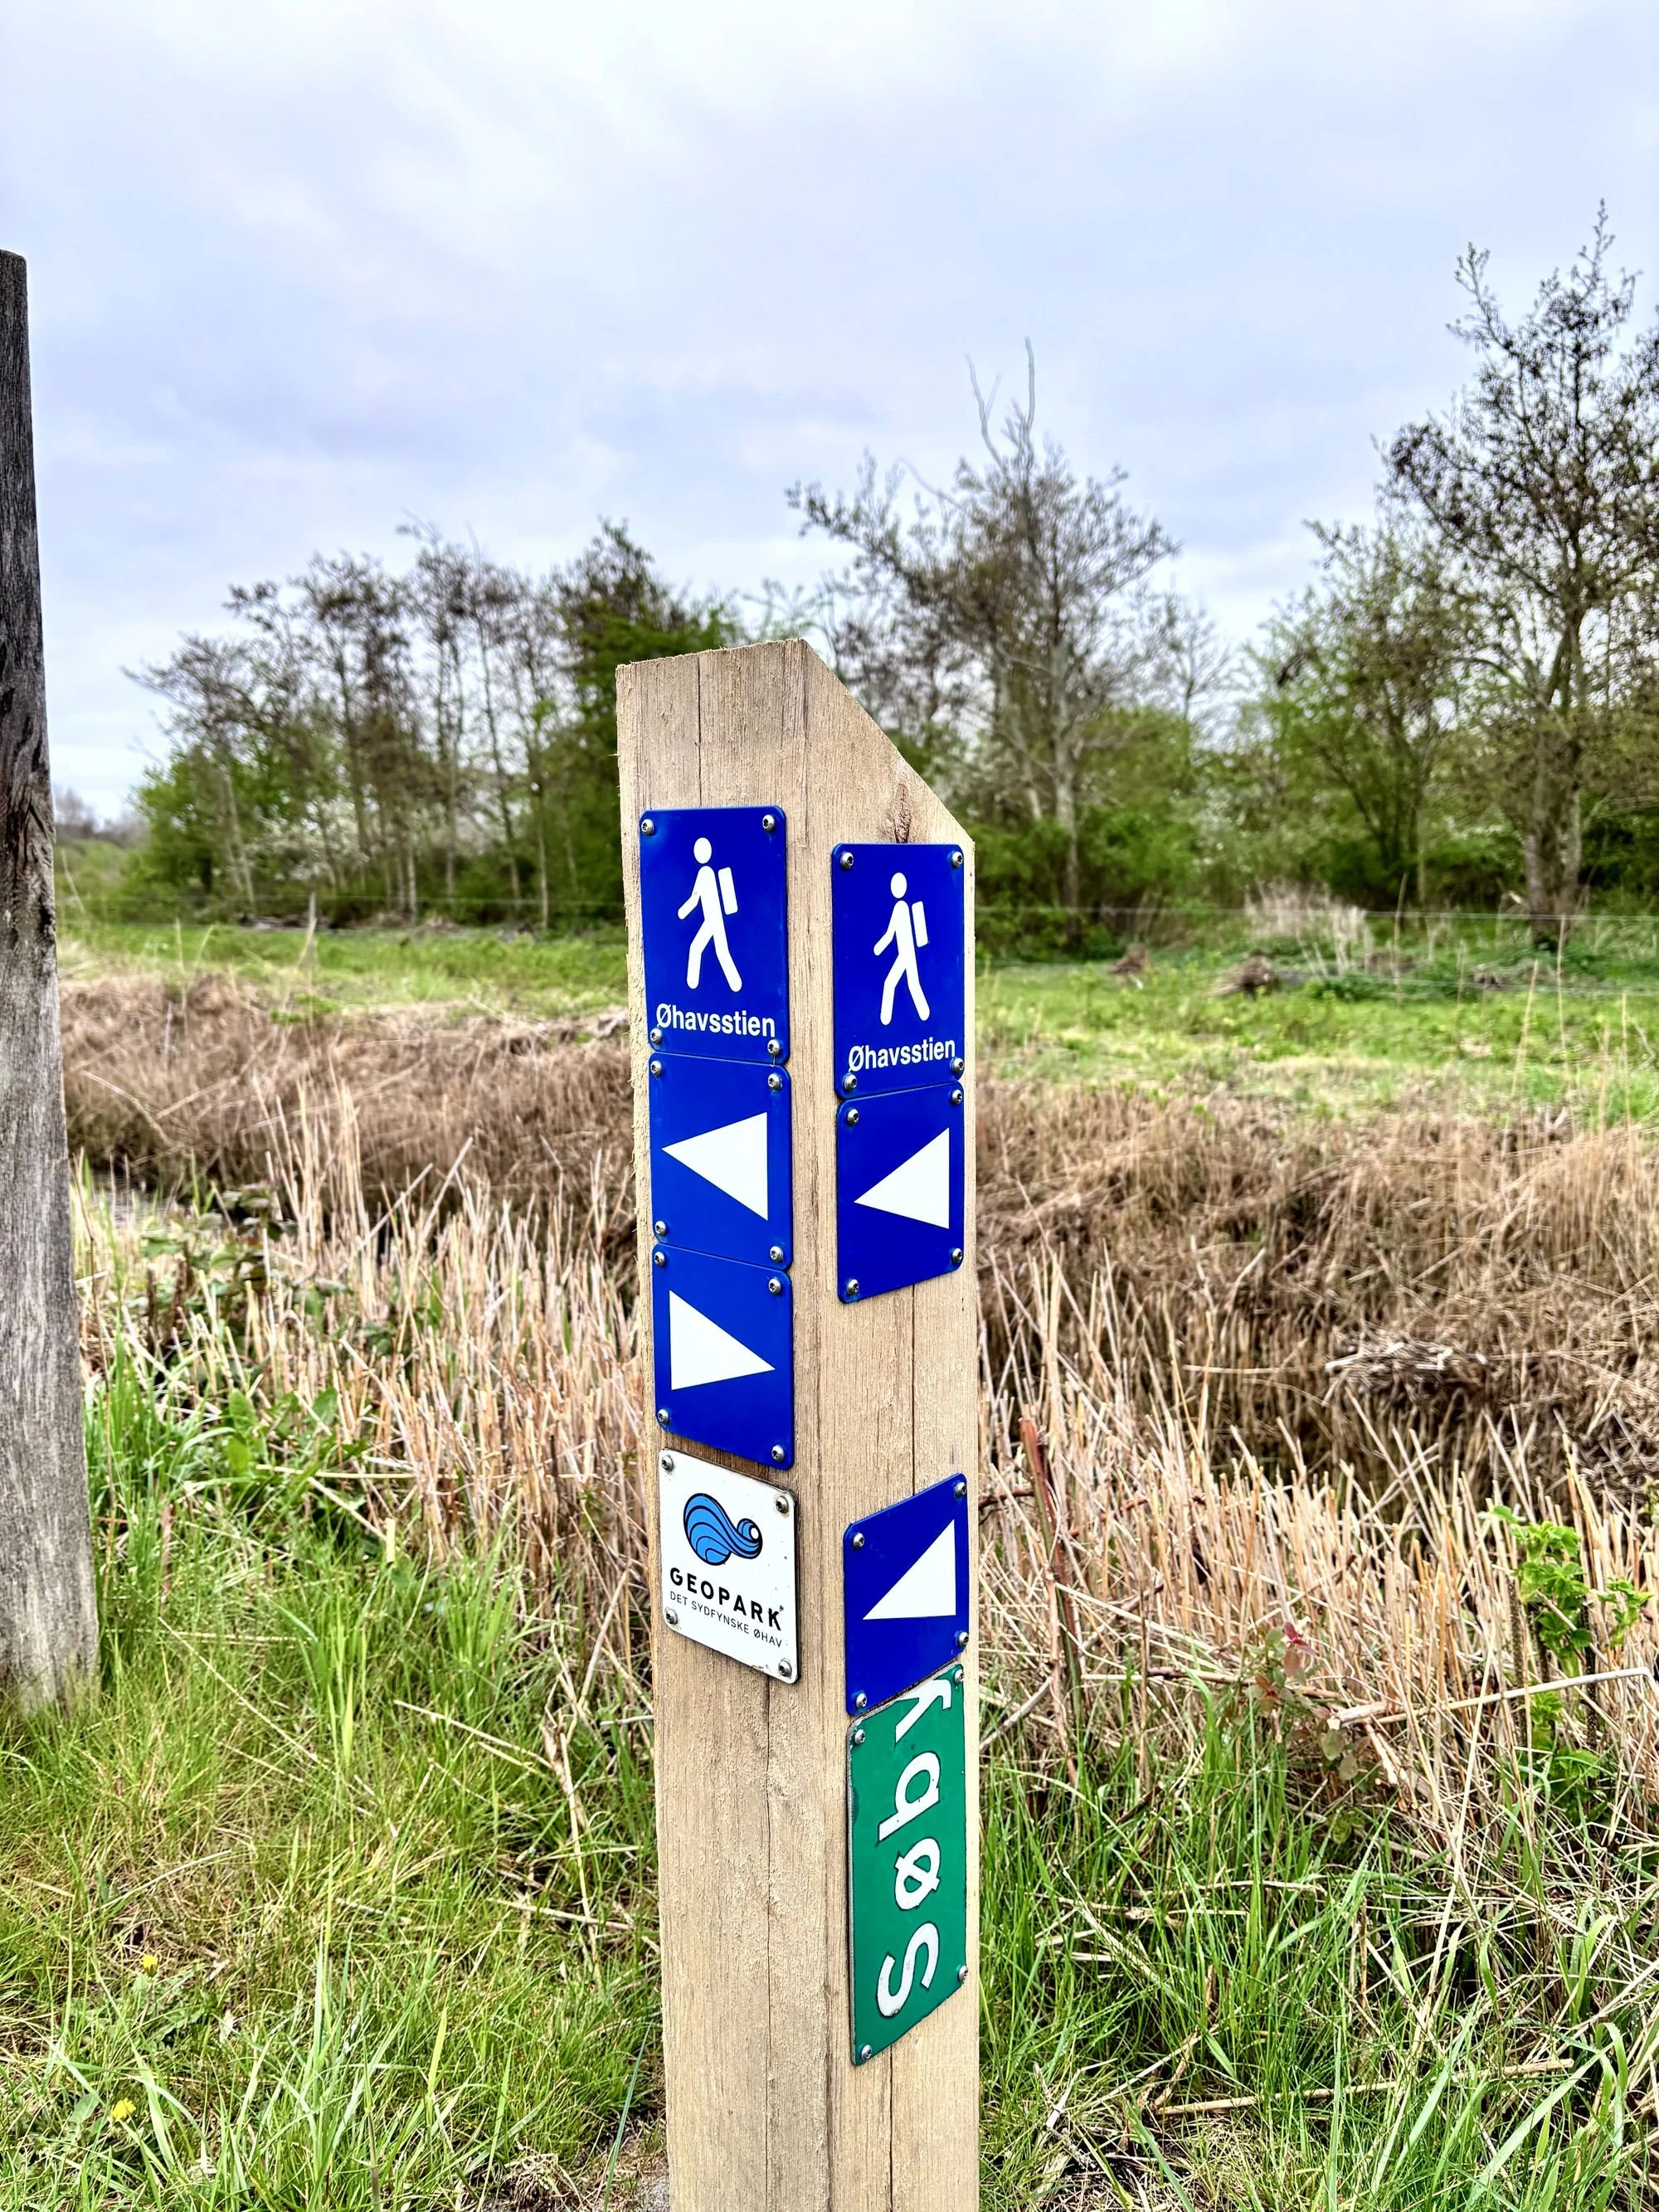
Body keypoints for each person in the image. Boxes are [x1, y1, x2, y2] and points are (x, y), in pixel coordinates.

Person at [679, 836, 742, 991]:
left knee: (716, 951)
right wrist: (683, 912)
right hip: (711, 920)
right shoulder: (706, 872)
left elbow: (695, 899)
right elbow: (696, 898)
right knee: (707, 949)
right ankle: (693, 987)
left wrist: (683, 912)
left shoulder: (705, 873)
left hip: (714, 920)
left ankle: (736, 987)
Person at [875, 872, 929, 1023]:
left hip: (907, 954)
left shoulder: (901, 907)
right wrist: (879, 948)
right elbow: (890, 933)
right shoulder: (900, 907)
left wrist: (879, 948)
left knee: (897, 983)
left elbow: (890, 934)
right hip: (905, 954)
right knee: (908, 984)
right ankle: (924, 1015)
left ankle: (886, 1020)